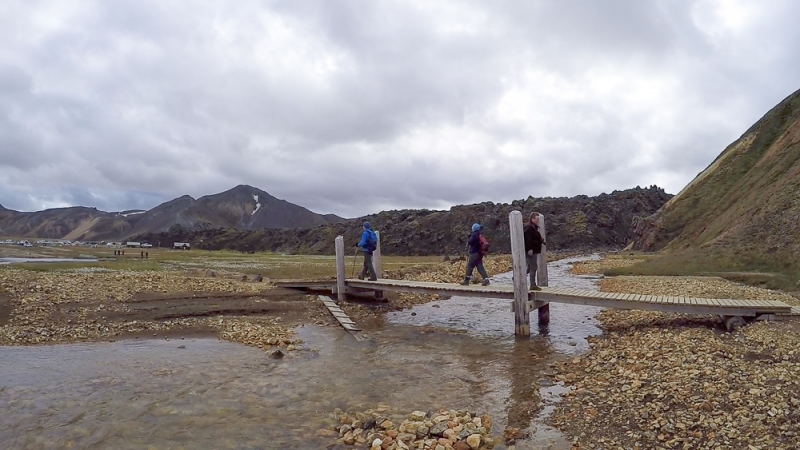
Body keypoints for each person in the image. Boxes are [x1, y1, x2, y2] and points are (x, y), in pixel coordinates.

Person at [523, 212, 546, 290]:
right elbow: (527, 239)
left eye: (538, 219)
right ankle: (532, 285)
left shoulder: (533, 227)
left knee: (529, 267)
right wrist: (529, 249)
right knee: (533, 267)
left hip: (534, 250)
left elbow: (536, 236)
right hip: (531, 251)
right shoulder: (528, 228)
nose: (538, 220)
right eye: (537, 219)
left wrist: (542, 241)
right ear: (532, 219)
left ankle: (517, 277)